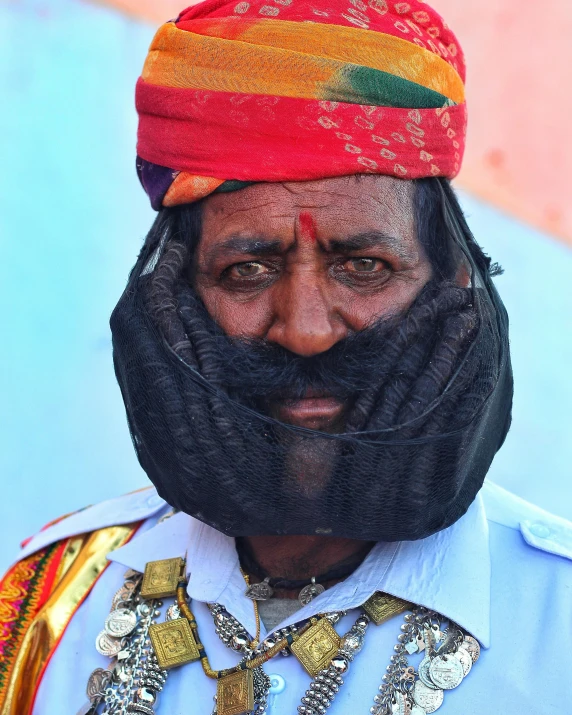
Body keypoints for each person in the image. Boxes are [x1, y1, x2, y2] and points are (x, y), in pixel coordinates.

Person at [1, 0, 570, 713]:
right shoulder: (51, 601)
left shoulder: (557, 623)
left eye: (364, 266)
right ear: (174, 298)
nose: (306, 330)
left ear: (454, 283)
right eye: (248, 269)